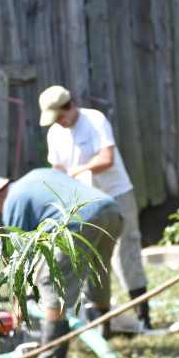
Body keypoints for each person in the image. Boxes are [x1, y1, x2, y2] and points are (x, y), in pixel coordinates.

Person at [38, 85, 152, 331]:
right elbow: (58, 170)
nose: (58, 122)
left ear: (70, 106)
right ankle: (102, 321)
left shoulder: (94, 120)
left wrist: (78, 171)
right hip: (84, 204)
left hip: (116, 194)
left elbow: (106, 159)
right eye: (54, 119)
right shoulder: (55, 134)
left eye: (60, 116)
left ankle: (144, 316)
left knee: (126, 255)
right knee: (91, 258)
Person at [0, 168, 123, 358]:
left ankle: (52, 354)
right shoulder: (37, 175)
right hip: (110, 210)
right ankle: (104, 329)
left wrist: (18, 305)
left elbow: (21, 258)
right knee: (98, 271)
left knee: (51, 280)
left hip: (77, 221)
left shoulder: (12, 202)